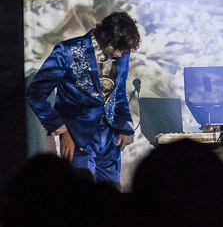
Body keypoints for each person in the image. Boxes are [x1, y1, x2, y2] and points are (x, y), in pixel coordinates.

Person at [26, 11, 142, 185]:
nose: (120, 54)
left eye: (124, 50)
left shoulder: (122, 54)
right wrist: (62, 130)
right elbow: (35, 94)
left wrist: (126, 124)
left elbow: (118, 93)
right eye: (117, 49)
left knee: (111, 202)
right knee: (83, 200)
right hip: (78, 140)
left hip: (110, 141)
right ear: (105, 36)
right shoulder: (67, 51)